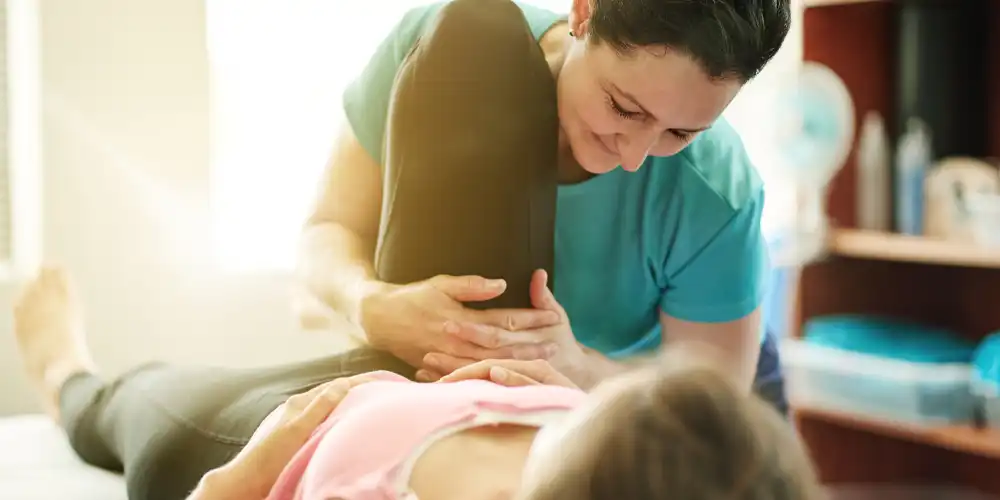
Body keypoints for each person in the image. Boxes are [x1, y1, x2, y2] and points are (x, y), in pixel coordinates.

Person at [296, 0, 793, 400]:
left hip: (678, 392)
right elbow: (329, 228)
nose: (636, 156)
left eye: (681, 132)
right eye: (623, 108)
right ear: (583, 13)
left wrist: (579, 368)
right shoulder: (435, 52)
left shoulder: (718, 193)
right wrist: (368, 306)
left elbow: (712, 401)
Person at [12, 267, 821, 500]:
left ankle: (63, 370)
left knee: (131, 402)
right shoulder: (653, 460)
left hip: (274, 435)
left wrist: (241, 478)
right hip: (402, 384)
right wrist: (526, 390)